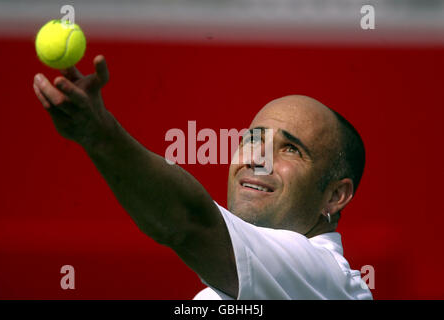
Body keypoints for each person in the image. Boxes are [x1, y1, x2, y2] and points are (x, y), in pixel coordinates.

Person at [33, 55, 373, 300]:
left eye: (291, 150)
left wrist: (100, 134)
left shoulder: (326, 281)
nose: (258, 158)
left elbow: (190, 222)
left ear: (335, 195)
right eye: (253, 139)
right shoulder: (218, 293)